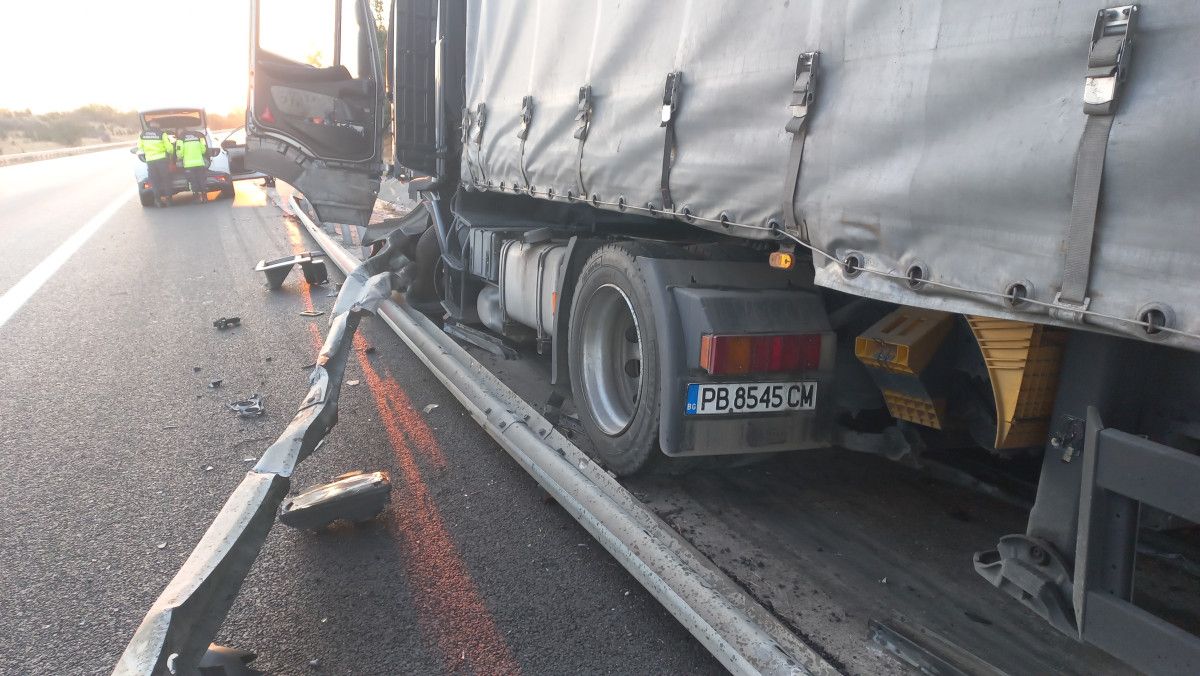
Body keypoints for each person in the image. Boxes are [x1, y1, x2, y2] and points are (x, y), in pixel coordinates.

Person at [137, 127, 174, 207]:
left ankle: (158, 200)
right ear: (157, 126)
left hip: (150, 161)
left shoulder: (143, 135)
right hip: (161, 160)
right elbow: (169, 148)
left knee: (154, 181)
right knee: (166, 179)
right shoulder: (161, 134)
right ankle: (169, 200)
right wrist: (171, 153)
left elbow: (139, 147)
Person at [175, 131, 210, 201]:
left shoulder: (180, 139)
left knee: (193, 180)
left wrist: (180, 158)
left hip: (189, 165)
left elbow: (179, 153)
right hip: (200, 163)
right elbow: (203, 150)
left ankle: (196, 195)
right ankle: (204, 195)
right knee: (201, 179)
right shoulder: (198, 137)